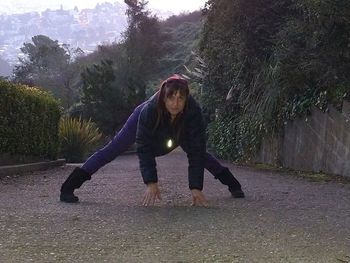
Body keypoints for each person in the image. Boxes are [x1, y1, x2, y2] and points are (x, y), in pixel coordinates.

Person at [60, 74, 245, 206]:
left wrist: (196, 187)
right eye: (171, 98)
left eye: (180, 99)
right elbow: (144, 148)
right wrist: (151, 182)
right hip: (145, 124)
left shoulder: (193, 112)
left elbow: (197, 151)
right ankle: (68, 187)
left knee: (200, 154)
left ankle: (233, 184)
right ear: (163, 98)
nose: (175, 103)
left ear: (186, 99)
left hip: (178, 128)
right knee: (112, 149)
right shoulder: (148, 110)